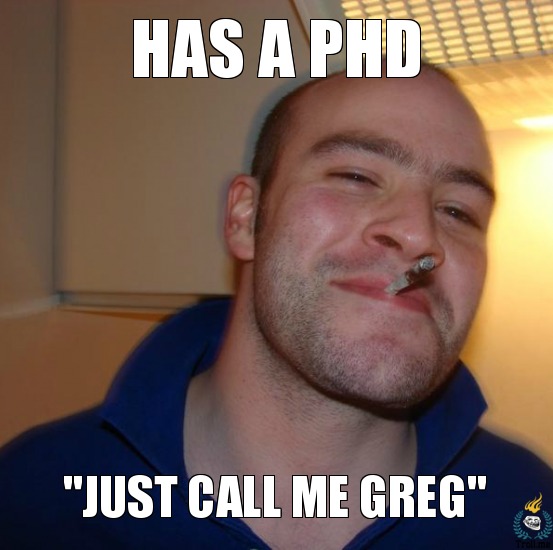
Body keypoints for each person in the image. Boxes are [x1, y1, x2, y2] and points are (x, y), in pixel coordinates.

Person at [1, 62, 552, 549]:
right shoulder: (30, 500)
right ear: (246, 218)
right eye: (356, 177)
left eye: (458, 211)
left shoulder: (527, 509)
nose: (420, 236)